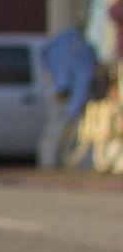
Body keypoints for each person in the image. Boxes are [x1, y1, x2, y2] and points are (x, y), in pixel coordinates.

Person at [38, 25, 95, 170]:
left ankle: (52, 164)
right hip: (64, 93)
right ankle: (53, 164)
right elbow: (83, 79)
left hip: (59, 90)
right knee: (60, 130)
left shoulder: (60, 44)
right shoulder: (81, 50)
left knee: (56, 131)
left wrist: (54, 78)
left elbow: (43, 54)